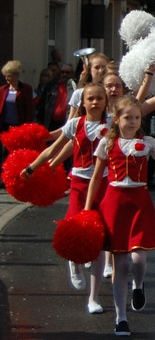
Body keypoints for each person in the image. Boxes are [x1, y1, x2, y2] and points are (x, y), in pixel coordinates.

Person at [84, 95, 155, 336]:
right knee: (120, 263)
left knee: (138, 260)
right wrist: (88, 209)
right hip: (114, 205)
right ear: (116, 119)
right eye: (127, 117)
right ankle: (121, 318)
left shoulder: (148, 142)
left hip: (140, 203)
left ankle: (138, 285)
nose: (132, 122)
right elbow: (97, 177)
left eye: (137, 117)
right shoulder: (106, 144)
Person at [23, 84, 109, 312]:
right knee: (73, 225)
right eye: (90, 98)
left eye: (100, 98)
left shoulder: (112, 125)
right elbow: (52, 150)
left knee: (100, 239)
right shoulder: (75, 124)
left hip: (105, 184)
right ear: (83, 102)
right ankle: (74, 263)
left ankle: (94, 297)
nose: (95, 102)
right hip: (80, 184)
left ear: (105, 101)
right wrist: (32, 168)